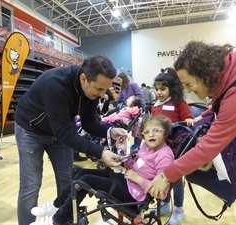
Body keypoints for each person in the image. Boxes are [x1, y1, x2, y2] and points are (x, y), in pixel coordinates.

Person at [146, 41, 236, 205]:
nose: (187, 90)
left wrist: (166, 175)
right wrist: (208, 113)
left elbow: (208, 148)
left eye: (188, 84)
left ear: (204, 74)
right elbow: (223, 95)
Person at [14, 55, 127, 225]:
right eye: (99, 89)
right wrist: (100, 152)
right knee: (31, 185)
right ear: (84, 79)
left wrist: (109, 131)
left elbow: (89, 122)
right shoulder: (55, 83)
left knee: (68, 181)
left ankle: (64, 220)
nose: (102, 95)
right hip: (30, 131)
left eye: (105, 89)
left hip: (61, 129)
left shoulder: (92, 90)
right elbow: (64, 133)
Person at [30, 114, 174, 225]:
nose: (151, 134)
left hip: (135, 196)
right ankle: (56, 205)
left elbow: (162, 193)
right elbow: (132, 168)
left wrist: (138, 179)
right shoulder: (145, 147)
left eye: (156, 130)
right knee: (80, 172)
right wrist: (123, 152)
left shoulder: (164, 156)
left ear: (165, 133)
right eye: (147, 132)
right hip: (126, 183)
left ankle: (57, 220)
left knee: (85, 181)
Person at [150, 67, 194, 225]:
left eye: (162, 89)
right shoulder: (154, 106)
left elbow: (189, 117)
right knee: (162, 176)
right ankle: (165, 204)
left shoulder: (179, 102)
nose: (159, 92)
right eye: (156, 89)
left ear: (171, 88)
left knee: (175, 178)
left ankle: (179, 209)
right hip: (160, 149)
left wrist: (189, 119)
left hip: (176, 148)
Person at [115, 73, 144, 151]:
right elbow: (119, 98)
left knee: (138, 126)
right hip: (129, 109)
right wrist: (113, 102)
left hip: (137, 108)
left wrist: (133, 102)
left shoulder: (132, 84)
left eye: (119, 80)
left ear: (124, 79)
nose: (118, 81)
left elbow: (139, 95)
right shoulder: (122, 88)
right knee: (131, 126)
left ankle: (137, 145)